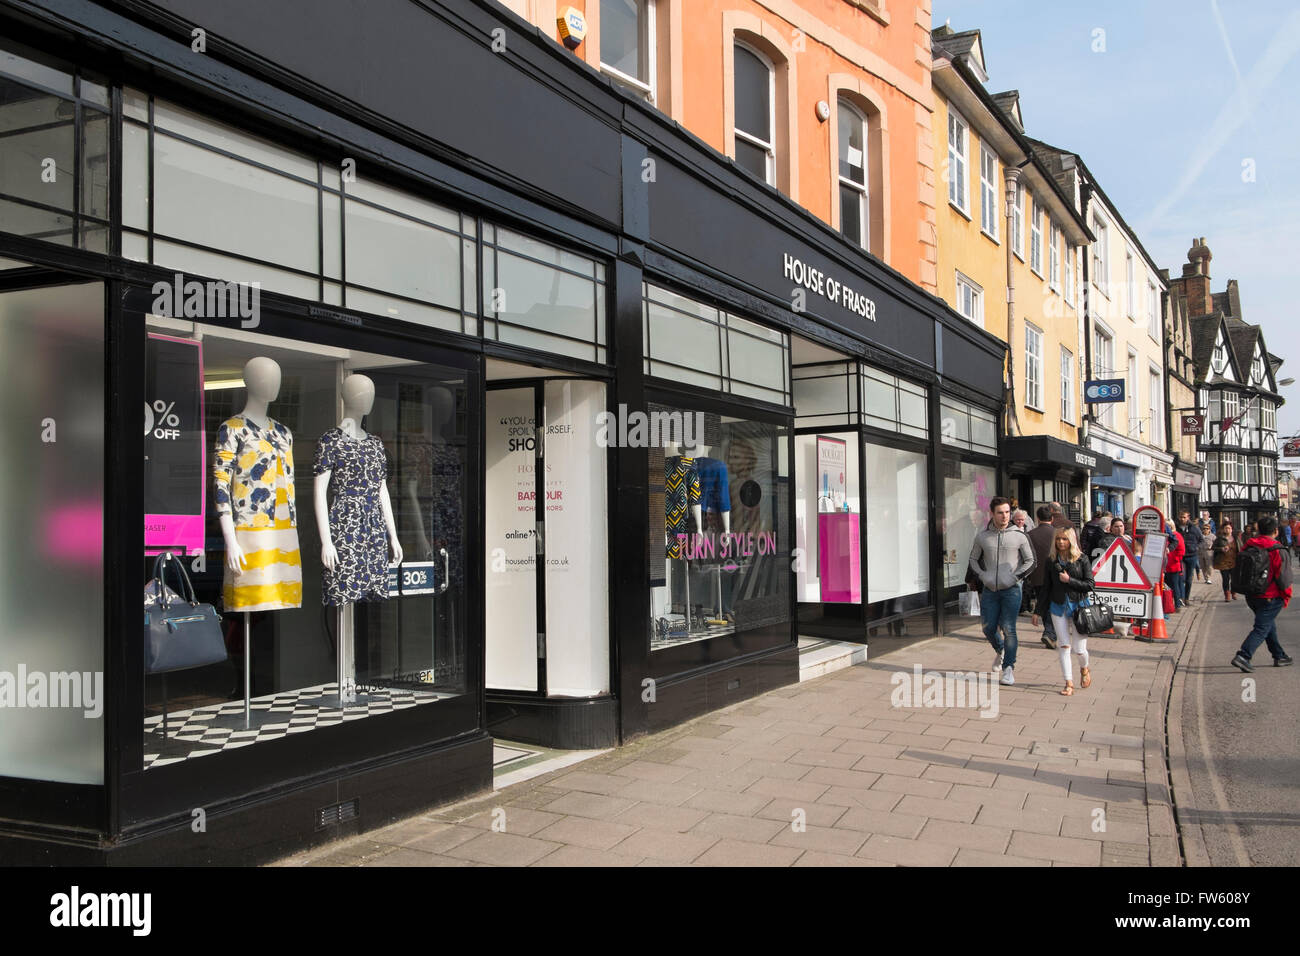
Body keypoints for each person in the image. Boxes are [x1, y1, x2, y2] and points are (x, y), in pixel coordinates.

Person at [969, 497, 1036, 687]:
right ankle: (1001, 650)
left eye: (1007, 512)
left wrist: (1015, 577)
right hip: (990, 589)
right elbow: (973, 559)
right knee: (988, 628)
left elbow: (1031, 561)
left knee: (1008, 628)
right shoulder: (982, 536)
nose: (1005, 516)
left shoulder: (1020, 536)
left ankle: (1008, 669)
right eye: (1000, 512)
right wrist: (983, 576)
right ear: (992, 514)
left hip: (1012, 590)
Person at [1031, 528, 1095, 696]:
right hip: (1057, 607)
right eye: (1058, 539)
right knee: (1064, 645)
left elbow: (1089, 585)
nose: (1060, 542)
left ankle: (1084, 667)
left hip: (1079, 607)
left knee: (1079, 649)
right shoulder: (1051, 561)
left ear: (1071, 540)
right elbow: (1046, 588)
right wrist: (1038, 611)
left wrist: (1070, 580)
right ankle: (1068, 683)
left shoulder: (1082, 559)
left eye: (1064, 539)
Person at [1230, 515, 1295, 672]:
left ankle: (1279, 655)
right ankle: (1244, 655)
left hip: (1251, 594)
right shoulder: (1277, 549)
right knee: (1261, 627)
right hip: (1271, 596)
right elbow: (1284, 578)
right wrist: (1286, 595)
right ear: (1276, 531)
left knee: (1267, 625)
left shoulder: (1249, 545)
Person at [1026, 505, 1060, 648]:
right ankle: (1050, 633)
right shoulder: (1059, 534)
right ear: (1052, 518)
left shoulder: (1030, 535)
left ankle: (1049, 633)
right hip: (1057, 577)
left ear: (1037, 518)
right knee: (1055, 605)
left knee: (1043, 603)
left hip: (1038, 576)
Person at [1177, 511, 1204, 602]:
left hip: (1191, 555)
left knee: (1189, 578)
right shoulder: (1176, 528)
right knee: (1180, 577)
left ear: (1188, 517)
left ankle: (1186, 598)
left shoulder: (1194, 528)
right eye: (1181, 517)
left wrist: (1196, 548)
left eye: (1184, 517)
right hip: (1180, 555)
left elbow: (1201, 540)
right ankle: (1181, 596)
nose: (1182, 519)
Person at [1212, 521, 1241, 601]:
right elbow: (1213, 548)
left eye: (1229, 528)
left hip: (1234, 561)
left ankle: (1233, 592)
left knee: (1234, 579)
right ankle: (1227, 594)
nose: (1228, 530)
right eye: (1226, 528)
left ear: (1232, 529)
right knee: (1225, 579)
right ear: (1223, 529)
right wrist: (1221, 549)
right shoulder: (1219, 538)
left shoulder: (1236, 538)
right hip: (1223, 562)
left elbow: (1241, 548)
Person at [1196, 518, 1214, 584]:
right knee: (1203, 566)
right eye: (1204, 528)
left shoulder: (1212, 536)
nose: (1205, 530)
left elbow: (1216, 543)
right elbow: (1196, 542)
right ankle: (1206, 578)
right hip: (1200, 552)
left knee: (1209, 566)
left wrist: (1212, 546)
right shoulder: (1200, 536)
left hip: (1209, 552)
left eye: (1207, 528)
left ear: (1209, 529)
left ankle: (1209, 578)